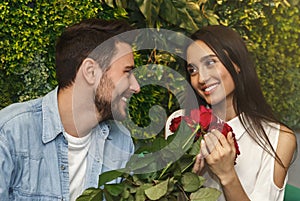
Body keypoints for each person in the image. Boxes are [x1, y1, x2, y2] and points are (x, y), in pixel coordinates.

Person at [0, 18, 140, 200]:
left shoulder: (121, 142)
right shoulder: (11, 132)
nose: (136, 86)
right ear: (90, 72)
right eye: (127, 71)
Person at [185, 25, 297, 200]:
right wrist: (186, 180)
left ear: (237, 64)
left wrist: (227, 175)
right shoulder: (181, 124)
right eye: (192, 70)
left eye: (210, 63)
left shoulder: (278, 138)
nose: (201, 78)